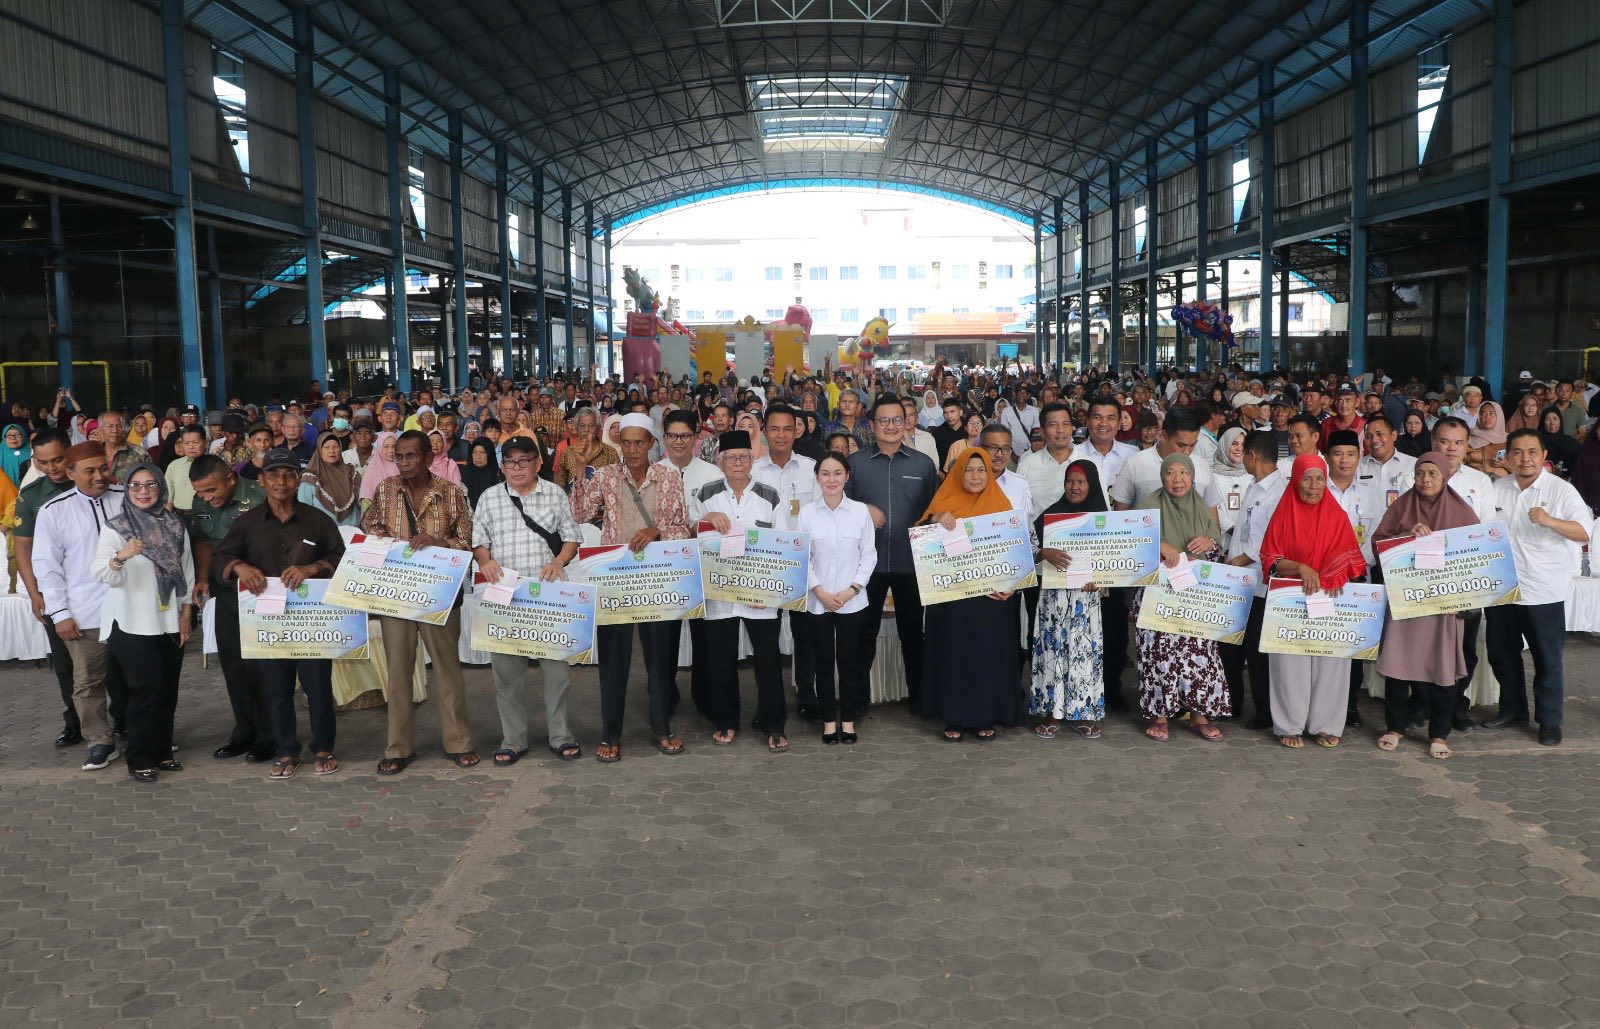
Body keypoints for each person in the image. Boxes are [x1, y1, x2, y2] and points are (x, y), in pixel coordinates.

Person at [215, 449, 346, 777]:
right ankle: (286, 751)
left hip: (311, 621)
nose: (281, 481)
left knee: (318, 687)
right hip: (269, 621)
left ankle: (324, 747)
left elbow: (342, 557)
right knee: (276, 690)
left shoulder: (317, 520)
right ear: (261, 481)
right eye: (273, 475)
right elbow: (221, 557)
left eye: (288, 474)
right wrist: (240, 566)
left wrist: (313, 567)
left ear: (298, 480)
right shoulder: (247, 523)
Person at [571, 414, 691, 762]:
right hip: (615, 579)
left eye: (640, 442)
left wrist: (657, 531)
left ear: (652, 444)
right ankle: (610, 734)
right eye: (626, 443)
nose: (633, 449)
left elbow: (683, 529)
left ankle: (661, 728)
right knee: (614, 661)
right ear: (619, 444)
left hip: (657, 579)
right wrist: (579, 470)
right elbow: (579, 514)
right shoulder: (605, 476)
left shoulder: (669, 477)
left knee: (660, 658)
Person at [362, 430, 480, 774]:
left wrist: (439, 542)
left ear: (429, 457)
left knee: (447, 669)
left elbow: (468, 540)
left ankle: (459, 742)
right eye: (399, 456)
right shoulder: (385, 490)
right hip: (397, 594)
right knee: (398, 671)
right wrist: (385, 543)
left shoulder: (451, 492)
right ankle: (398, 747)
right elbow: (371, 530)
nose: (404, 462)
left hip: (440, 593)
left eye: (411, 455)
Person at [472, 435, 584, 764]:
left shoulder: (554, 493)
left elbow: (571, 537)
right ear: (502, 466)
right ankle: (512, 740)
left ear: (537, 463)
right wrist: (485, 561)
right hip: (505, 595)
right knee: (506, 674)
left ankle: (561, 736)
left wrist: (558, 562)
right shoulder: (490, 497)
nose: (517, 467)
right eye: (510, 461)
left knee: (557, 673)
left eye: (524, 460)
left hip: (547, 594)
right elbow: (479, 541)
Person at [1482, 428, 1592, 746]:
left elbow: (1584, 531)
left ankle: (1549, 721)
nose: (1525, 458)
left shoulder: (1561, 490)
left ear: (1544, 456)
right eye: (1517, 452)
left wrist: (1549, 520)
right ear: (1508, 457)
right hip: (1502, 588)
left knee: (1547, 660)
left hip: (1543, 591)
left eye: (1532, 451)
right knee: (1502, 655)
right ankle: (1513, 710)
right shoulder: (1498, 488)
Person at [92, 464, 195, 782]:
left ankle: (162, 751)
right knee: (145, 690)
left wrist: (186, 613)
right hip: (130, 622)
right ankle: (139, 757)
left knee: (167, 689)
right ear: (126, 489)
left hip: (168, 620)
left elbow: (187, 571)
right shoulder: (116, 528)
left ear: (161, 488)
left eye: (150, 484)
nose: (143, 491)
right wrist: (122, 555)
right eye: (135, 485)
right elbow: (103, 574)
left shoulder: (174, 525)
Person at [1259, 453, 1368, 749]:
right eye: (1307, 479)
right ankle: (1289, 726)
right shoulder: (1283, 515)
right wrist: (1300, 568)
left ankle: (1326, 725)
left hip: (1331, 598)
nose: (1314, 485)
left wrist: (1332, 574)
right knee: (1289, 663)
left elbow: (1352, 560)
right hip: (1290, 601)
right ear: (1296, 480)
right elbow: (1269, 559)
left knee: (1331, 662)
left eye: (1320, 479)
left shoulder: (1337, 516)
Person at [1371, 453, 1476, 759]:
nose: (1426, 480)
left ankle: (1439, 734)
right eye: (1420, 474)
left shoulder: (1462, 512)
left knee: (1443, 668)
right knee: (1398, 665)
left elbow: (1476, 555)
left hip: (1443, 606)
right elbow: (1378, 545)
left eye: (1432, 474)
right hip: (1406, 603)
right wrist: (1407, 536)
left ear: (1444, 477)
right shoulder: (1402, 506)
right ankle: (1395, 727)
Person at [916, 449, 1027, 740]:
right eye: (969, 470)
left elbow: (1015, 553)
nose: (975, 476)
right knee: (953, 655)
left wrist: (1012, 586)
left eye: (981, 470)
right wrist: (936, 518)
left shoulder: (1001, 506)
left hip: (991, 600)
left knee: (987, 656)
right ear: (958, 473)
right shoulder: (943, 503)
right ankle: (954, 718)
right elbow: (922, 539)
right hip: (952, 601)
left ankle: (985, 717)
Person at [32, 441, 129, 770]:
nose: (99, 476)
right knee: (88, 683)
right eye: (89, 471)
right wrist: (60, 614)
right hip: (85, 611)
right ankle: (100, 741)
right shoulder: (54, 510)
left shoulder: (128, 497)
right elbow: (47, 567)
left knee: (139, 676)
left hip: (132, 608)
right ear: (71, 473)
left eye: (103, 467)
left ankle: (143, 732)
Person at [697, 430, 789, 752]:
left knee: (768, 660)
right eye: (731, 458)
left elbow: (782, 541)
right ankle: (726, 722)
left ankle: (773, 725)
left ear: (752, 461)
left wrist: (772, 590)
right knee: (721, 661)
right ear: (720, 462)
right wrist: (707, 517)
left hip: (760, 594)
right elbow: (689, 531)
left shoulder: (769, 495)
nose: (737, 463)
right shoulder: (706, 494)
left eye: (743, 457)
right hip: (720, 594)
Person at [1131, 453, 1229, 742]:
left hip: (1195, 598)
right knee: (1159, 653)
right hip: (1157, 597)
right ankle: (1160, 716)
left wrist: (1209, 543)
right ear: (1162, 476)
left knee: (1200, 654)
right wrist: (1159, 544)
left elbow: (1217, 551)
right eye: (1171, 473)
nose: (1177, 479)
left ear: (1192, 477)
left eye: (1184, 473)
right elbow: (1132, 544)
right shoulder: (1148, 506)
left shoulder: (1200, 507)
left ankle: (1200, 716)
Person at [847, 395, 939, 704]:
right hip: (867, 565)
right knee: (863, 635)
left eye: (897, 420)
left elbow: (933, 512)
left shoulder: (923, 464)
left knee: (913, 634)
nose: (891, 426)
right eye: (884, 420)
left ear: (907, 422)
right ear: (872, 425)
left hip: (911, 563)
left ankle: (921, 699)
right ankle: (856, 703)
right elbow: (840, 508)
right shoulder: (855, 464)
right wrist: (863, 511)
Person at [796, 454, 876, 745]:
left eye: (837, 473)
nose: (832, 479)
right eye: (826, 473)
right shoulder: (807, 513)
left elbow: (869, 555)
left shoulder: (860, 512)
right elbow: (802, 557)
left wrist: (852, 590)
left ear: (847, 476)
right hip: (819, 601)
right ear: (817, 477)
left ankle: (849, 720)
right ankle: (829, 722)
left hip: (852, 601)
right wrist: (819, 591)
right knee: (823, 663)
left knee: (850, 663)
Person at [13, 429, 86, 746]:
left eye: (57, 459)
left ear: (69, 451)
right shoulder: (31, 496)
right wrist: (34, 593)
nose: (52, 467)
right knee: (64, 662)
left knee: (113, 658)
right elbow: (23, 548)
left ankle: (121, 719)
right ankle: (75, 721)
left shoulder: (89, 481)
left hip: (96, 586)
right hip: (55, 592)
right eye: (43, 462)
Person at [1031, 460, 1106, 739]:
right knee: (1054, 652)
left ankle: (1083, 713)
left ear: (1092, 485)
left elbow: (1114, 558)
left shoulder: (1102, 519)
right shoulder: (1052, 515)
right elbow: (1027, 548)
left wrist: (1101, 579)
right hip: (1054, 599)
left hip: (1085, 599)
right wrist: (1044, 552)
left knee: (1083, 654)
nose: (1074, 487)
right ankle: (1052, 713)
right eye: (1070, 481)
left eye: (1081, 482)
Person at [752, 404, 818, 721]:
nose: (781, 435)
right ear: (765, 431)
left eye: (787, 429)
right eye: (775, 429)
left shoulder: (811, 469)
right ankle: (768, 704)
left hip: (802, 566)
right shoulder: (752, 471)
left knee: (806, 637)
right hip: (765, 568)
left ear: (796, 431)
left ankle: (807, 698)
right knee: (766, 641)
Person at [1222, 431, 1288, 730]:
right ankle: (1230, 704)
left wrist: (1237, 561)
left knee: (1258, 652)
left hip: (1261, 582)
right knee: (1231, 645)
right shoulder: (1253, 485)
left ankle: (1265, 711)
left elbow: (1270, 541)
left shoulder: (1280, 492)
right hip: (1239, 580)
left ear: (1252, 456)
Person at [298, 432, 363, 527]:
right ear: (319, 450)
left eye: (335, 446)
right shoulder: (310, 478)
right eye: (326, 447)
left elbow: (361, 504)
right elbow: (303, 511)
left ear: (340, 449)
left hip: (354, 531)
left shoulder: (351, 473)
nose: (332, 451)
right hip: (323, 533)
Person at [1210, 427, 1251, 547]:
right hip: (1223, 539)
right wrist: (1231, 528)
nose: (1239, 448)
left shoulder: (1251, 473)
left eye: (1243, 444)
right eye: (1234, 443)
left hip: (1250, 539)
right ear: (1224, 445)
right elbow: (1211, 507)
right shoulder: (1211, 474)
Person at [1464, 400, 1508, 478]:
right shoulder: (1468, 438)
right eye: (1483, 414)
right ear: (1478, 417)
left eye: (1491, 414)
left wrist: (1506, 464)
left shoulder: (1509, 440)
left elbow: (1520, 467)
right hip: (1472, 480)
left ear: (1499, 416)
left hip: (1501, 481)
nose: (1487, 417)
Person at [1539, 407, 1579, 479]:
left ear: (1560, 421)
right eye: (1547, 419)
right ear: (1542, 422)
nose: (1552, 423)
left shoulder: (1571, 442)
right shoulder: (1536, 440)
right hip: (1541, 479)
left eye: (1555, 419)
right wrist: (1548, 466)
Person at [462, 437, 502, 507]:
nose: (478, 456)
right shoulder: (464, 474)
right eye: (474, 452)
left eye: (483, 452)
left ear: (490, 454)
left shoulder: (500, 475)